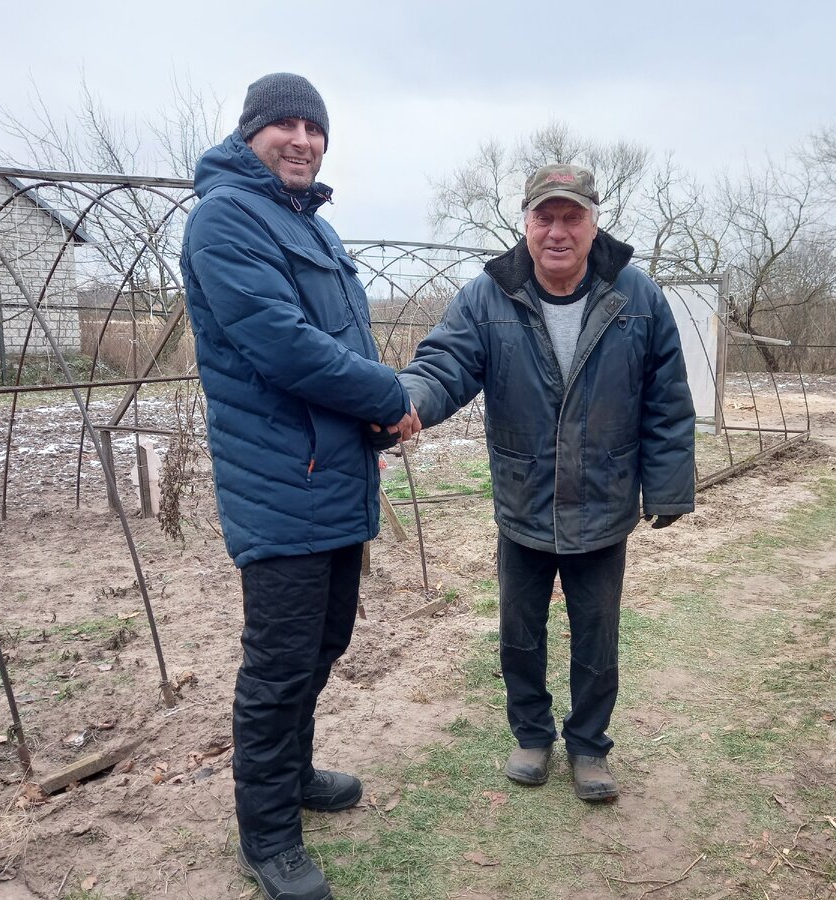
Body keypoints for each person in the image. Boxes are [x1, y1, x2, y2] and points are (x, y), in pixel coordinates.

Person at [180, 73, 419, 900]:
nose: (301, 139)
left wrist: (377, 418)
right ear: (250, 134)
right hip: (280, 481)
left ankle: (294, 773)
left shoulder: (310, 226)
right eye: (282, 124)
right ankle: (267, 833)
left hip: (334, 476)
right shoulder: (224, 219)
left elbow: (340, 340)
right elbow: (281, 346)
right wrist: (392, 399)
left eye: (313, 127)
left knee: (324, 644)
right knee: (279, 665)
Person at [399, 163, 696, 802]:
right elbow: (446, 361)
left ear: (594, 222)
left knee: (597, 636)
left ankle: (589, 746)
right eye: (545, 217)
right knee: (519, 633)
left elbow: (666, 398)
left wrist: (668, 486)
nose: (557, 231)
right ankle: (531, 734)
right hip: (524, 497)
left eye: (572, 217)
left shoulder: (636, 297)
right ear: (526, 223)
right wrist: (411, 401)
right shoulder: (489, 295)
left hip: (603, 500)